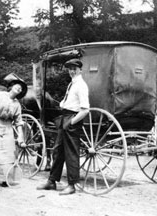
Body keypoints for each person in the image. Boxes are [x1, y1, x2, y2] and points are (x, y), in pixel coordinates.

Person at [37, 58, 90, 195]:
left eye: (75, 69)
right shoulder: (72, 84)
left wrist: (72, 122)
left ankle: (72, 185)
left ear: (80, 70)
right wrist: (62, 104)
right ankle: (52, 181)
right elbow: (71, 101)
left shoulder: (81, 85)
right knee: (58, 150)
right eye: (70, 69)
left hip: (72, 120)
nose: (72, 71)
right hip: (65, 117)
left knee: (71, 153)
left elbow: (85, 109)